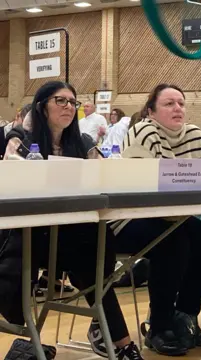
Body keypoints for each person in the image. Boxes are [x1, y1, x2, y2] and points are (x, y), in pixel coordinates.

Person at [0, 81, 142, 360]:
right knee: (15, 271)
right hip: (28, 232)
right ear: (42, 107)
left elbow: (106, 177)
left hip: (72, 235)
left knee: (94, 257)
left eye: (72, 102)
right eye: (60, 101)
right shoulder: (20, 138)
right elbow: (12, 179)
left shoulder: (84, 143)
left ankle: (121, 345)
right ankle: (28, 340)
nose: (68, 107)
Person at [110, 84, 201, 356]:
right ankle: (158, 327)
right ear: (151, 111)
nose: (178, 109)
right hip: (130, 217)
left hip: (175, 214)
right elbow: (146, 186)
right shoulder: (143, 130)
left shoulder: (195, 134)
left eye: (181, 103)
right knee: (174, 242)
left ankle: (184, 316)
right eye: (169, 104)